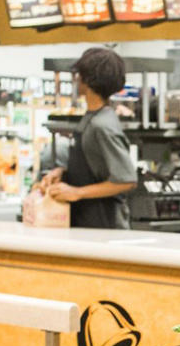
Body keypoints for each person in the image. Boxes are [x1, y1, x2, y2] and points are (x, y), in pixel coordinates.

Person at [40, 47, 137, 228]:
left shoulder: (103, 125)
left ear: (87, 79)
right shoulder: (92, 118)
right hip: (87, 221)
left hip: (105, 226)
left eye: (79, 74)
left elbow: (126, 180)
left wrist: (77, 192)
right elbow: (95, 169)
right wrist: (63, 172)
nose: (76, 79)